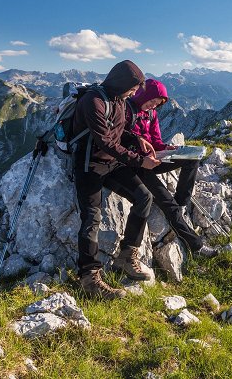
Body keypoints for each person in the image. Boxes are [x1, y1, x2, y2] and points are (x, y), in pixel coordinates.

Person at [71, 60, 160, 299]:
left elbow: (117, 132)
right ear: (122, 83)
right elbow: (105, 142)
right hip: (89, 164)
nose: (134, 93)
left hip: (111, 163)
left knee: (144, 197)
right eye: (132, 88)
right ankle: (89, 277)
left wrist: (135, 139)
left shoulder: (118, 100)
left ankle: (126, 256)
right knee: (92, 216)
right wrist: (141, 161)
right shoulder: (93, 101)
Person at [128, 79, 217, 257]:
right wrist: (144, 157)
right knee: (168, 203)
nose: (152, 106)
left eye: (156, 104)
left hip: (153, 159)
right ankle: (196, 246)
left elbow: (155, 140)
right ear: (144, 94)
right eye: (151, 101)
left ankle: (182, 202)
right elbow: (123, 143)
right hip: (137, 165)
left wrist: (166, 148)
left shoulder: (151, 113)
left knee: (192, 158)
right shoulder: (127, 111)